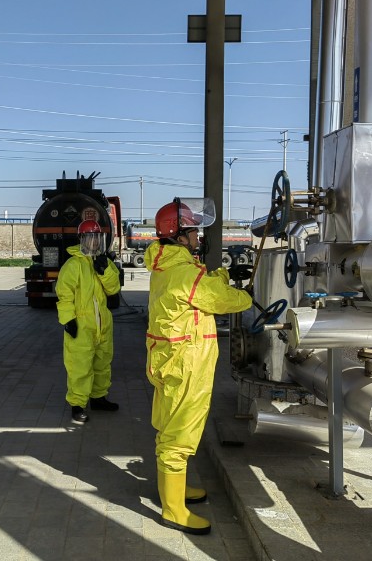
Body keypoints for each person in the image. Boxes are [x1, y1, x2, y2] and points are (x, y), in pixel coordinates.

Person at [145, 198, 253, 535]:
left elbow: (201, 287)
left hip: (171, 359)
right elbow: (220, 299)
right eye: (192, 232)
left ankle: (174, 490)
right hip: (185, 364)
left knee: (171, 426)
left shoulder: (169, 267)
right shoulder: (184, 274)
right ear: (178, 236)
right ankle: (173, 510)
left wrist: (224, 274)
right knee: (179, 434)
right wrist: (247, 294)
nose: (197, 237)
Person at [56, 219, 122, 424]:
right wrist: (68, 319)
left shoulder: (104, 262)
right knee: (80, 365)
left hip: (102, 324)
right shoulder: (73, 265)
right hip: (81, 325)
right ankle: (77, 405)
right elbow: (64, 294)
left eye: (97, 237)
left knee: (102, 363)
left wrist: (105, 272)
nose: (94, 242)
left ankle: (98, 398)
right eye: (90, 237)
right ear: (81, 239)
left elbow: (113, 289)